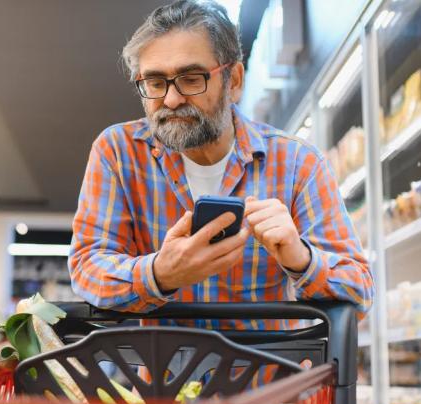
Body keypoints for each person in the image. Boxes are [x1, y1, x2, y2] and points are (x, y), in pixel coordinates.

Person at [69, 0, 373, 332]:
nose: (171, 99)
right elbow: (87, 270)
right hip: (161, 367)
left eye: (191, 79)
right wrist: (160, 273)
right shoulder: (118, 152)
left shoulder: (298, 163)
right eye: (155, 83)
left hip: (267, 366)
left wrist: (300, 258)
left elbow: (357, 292)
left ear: (234, 81)